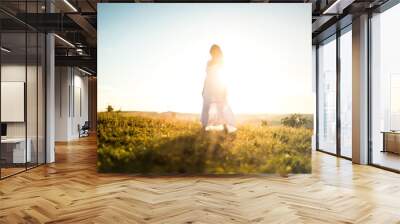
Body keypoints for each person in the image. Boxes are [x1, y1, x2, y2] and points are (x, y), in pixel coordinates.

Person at [201, 44, 236, 133]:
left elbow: (225, 76)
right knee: (206, 106)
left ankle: (225, 126)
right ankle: (204, 126)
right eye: (211, 51)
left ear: (217, 52)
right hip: (208, 86)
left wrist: (225, 89)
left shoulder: (221, 62)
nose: (212, 53)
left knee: (221, 106)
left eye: (214, 51)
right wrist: (203, 88)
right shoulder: (208, 62)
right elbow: (207, 76)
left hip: (218, 86)